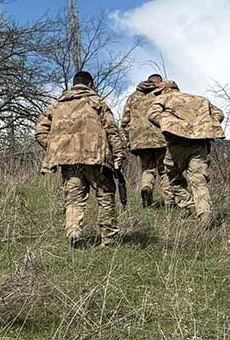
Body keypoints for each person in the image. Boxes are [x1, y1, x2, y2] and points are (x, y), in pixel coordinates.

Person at [35, 71, 126, 247]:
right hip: (96, 159)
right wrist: (118, 155)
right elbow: (112, 131)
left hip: (69, 161)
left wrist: (57, 149)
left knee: (74, 198)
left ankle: (74, 232)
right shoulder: (96, 102)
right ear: (90, 85)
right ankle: (108, 239)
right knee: (105, 195)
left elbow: (40, 131)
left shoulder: (56, 106)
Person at [148, 80, 225, 225]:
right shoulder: (200, 99)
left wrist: (168, 123)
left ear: (167, 89)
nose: (157, 95)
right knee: (199, 181)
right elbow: (219, 114)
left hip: (177, 144)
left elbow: (152, 114)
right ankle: (204, 214)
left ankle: (191, 207)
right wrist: (204, 125)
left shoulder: (165, 97)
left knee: (173, 179)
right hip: (199, 144)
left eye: (159, 92)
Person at [121, 74, 171, 207]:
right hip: (160, 137)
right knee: (164, 169)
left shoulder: (133, 97)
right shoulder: (162, 92)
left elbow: (125, 122)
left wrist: (130, 140)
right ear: (159, 81)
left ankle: (146, 188)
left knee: (147, 168)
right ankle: (169, 202)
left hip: (139, 139)